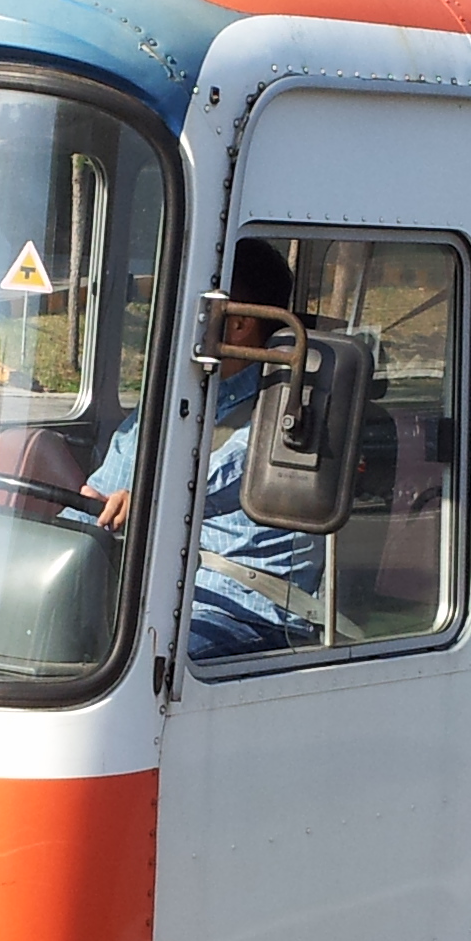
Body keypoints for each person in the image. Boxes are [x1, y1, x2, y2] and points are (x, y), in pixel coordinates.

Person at [83, 237, 325, 660]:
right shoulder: (170, 400)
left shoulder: (286, 407)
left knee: (137, 666)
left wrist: (151, 502)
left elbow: (221, 478)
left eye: (184, 306)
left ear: (237, 325)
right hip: (155, 597)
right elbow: (101, 495)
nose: (166, 321)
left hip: (247, 612)